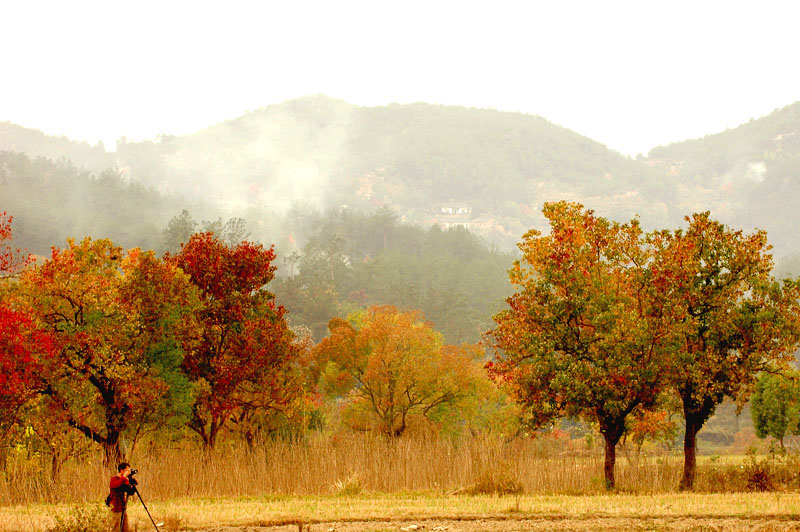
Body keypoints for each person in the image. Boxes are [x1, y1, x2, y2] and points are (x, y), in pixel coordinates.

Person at [108, 462, 138, 532]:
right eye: (126, 470)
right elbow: (115, 485)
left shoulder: (124, 480)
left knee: (125, 528)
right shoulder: (114, 479)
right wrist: (124, 476)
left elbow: (130, 492)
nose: (128, 472)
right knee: (116, 528)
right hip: (115, 508)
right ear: (121, 470)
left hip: (122, 508)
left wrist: (132, 481)